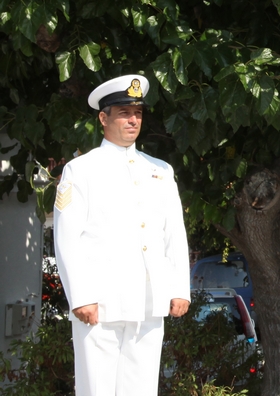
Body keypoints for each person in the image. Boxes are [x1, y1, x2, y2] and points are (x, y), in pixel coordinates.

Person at [53, 75, 190, 396]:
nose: (133, 120)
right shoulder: (81, 170)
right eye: (124, 113)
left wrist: (179, 288)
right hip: (101, 302)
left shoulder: (160, 170)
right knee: (96, 388)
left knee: (141, 389)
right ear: (103, 118)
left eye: (138, 113)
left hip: (148, 301)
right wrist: (81, 296)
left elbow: (173, 233)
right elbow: (67, 238)